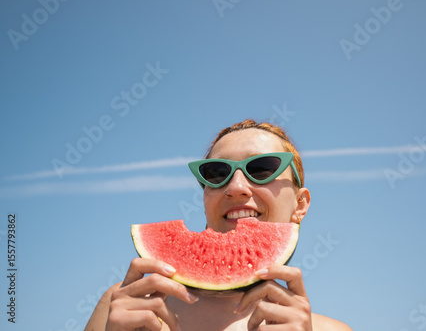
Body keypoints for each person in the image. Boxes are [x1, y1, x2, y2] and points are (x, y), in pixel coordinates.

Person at [85, 119, 352, 331]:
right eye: (217, 173)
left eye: (261, 168)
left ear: (300, 205)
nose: (235, 188)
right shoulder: (126, 306)